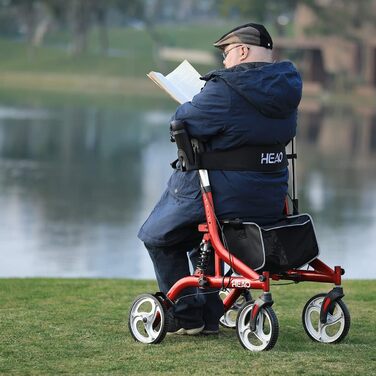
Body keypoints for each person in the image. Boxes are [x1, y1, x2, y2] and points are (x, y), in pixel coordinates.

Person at [138, 22, 302, 335]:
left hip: (222, 193)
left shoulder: (226, 89)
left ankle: (189, 315)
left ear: (242, 51)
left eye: (226, 53)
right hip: (269, 196)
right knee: (204, 241)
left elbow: (182, 121)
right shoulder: (288, 88)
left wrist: (194, 100)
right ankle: (209, 316)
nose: (224, 61)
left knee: (158, 236)